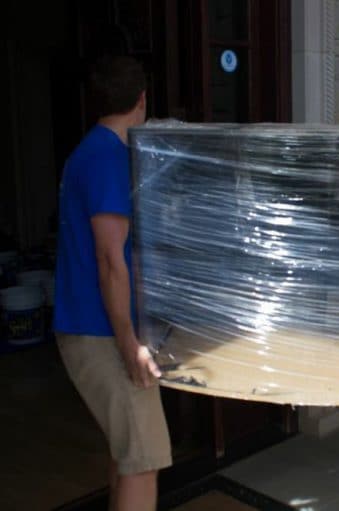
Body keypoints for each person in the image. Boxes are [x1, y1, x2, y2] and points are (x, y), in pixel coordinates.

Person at [54, 55, 171, 511]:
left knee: (129, 456)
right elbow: (110, 259)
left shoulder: (90, 153)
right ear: (142, 100)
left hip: (95, 328)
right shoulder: (105, 159)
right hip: (101, 332)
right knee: (144, 460)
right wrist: (129, 343)